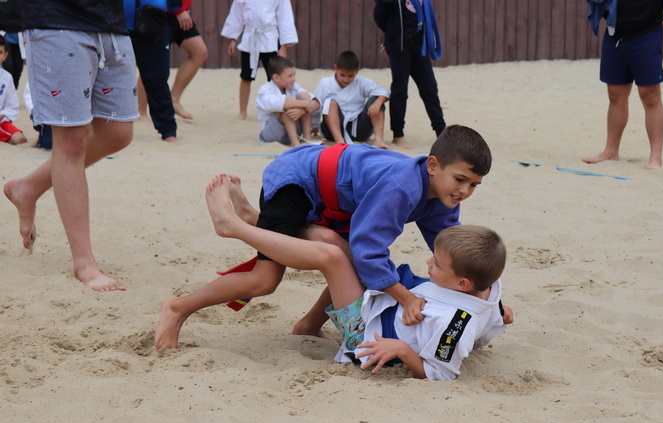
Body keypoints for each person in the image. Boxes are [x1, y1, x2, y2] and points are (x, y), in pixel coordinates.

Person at [155, 124, 492, 348]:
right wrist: (404, 297)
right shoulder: (402, 188)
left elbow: (456, 253)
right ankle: (178, 308)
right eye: (460, 179)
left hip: (331, 197)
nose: (464, 191)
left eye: (474, 185)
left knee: (339, 251)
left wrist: (488, 297)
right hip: (297, 183)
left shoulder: (443, 199)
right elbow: (368, 251)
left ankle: (306, 319)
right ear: (433, 165)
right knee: (265, 279)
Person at [191, 175, 510, 380]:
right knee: (331, 242)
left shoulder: (456, 323)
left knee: (331, 258)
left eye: (438, 264)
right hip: (383, 305)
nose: (429, 261)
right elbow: (487, 323)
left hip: (367, 333)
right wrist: (499, 315)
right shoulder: (490, 289)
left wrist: (401, 351)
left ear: (462, 284)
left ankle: (235, 227)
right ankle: (261, 221)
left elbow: (439, 371)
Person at [3, 0, 138, 291]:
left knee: (119, 131)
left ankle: (27, 188)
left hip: (111, 21)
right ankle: (84, 264)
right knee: (71, 141)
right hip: (54, 17)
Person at [583, 0, 663, 170]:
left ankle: (655, 158)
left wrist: (653, 18)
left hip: (646, 34)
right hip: (614, 34)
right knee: (615, 94)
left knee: (650, 97)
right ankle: (611, 151)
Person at [374, 0, 446, 149]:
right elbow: (379, 15)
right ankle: (398, 134)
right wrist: (391, 37)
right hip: (400, 46)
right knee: (400, 90)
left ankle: (441, 131)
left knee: (430, 88)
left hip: (419, 46)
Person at [221, 0, 298, 120]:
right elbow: (237, 15)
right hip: (250, 39)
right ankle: (243, 111)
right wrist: (233, 38)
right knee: (246, 77)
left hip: (270, 39)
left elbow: (285, 18)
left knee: (276, 79)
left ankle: (279, 108)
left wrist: (284, 47)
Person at [137, 0, 208, 120]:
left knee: (199, 52)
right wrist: (178, 10)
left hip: (180, 13)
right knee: (151, 63)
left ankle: (174, 100)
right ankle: (141, 112)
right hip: (162, 12)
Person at [314, 50, 390, 149]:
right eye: (342, 75)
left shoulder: (361, 82)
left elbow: (384, 91)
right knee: (329, 102)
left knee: (376, 99)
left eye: (351, 76)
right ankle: (340, 142)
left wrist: (378, 102)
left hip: (359, 129)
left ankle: (379, 140)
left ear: (357, 71)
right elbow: (316, 103)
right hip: (333, 130)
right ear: (335, 68)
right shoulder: (325, 83)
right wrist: (314, 125)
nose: (346, 79)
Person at [125, 0, 178, 141]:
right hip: (116, 27)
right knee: (110, 81)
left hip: (153, 24)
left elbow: (175, 5)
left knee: (157, 79)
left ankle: (168, 130)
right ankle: (104, 128)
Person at [256, 56, 319, 147]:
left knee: (303, 95)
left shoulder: (294, 87)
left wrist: (302, 110)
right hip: (272, 134)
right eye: (290, 76)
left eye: (294, 75)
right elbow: (280, 103)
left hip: (293, 131)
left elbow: (316, 101)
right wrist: (305, 104)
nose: (294, 78)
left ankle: (307, 137)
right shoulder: (265, 90)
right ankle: (295, 143)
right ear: (276, 78)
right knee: (284, 107)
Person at [0, 35, 27, 145]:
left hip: (1, 121)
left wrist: (2, 115)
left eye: (0, 52)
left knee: (20, 139)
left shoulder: (7, 77)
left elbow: (12, 106)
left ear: (5, 56)